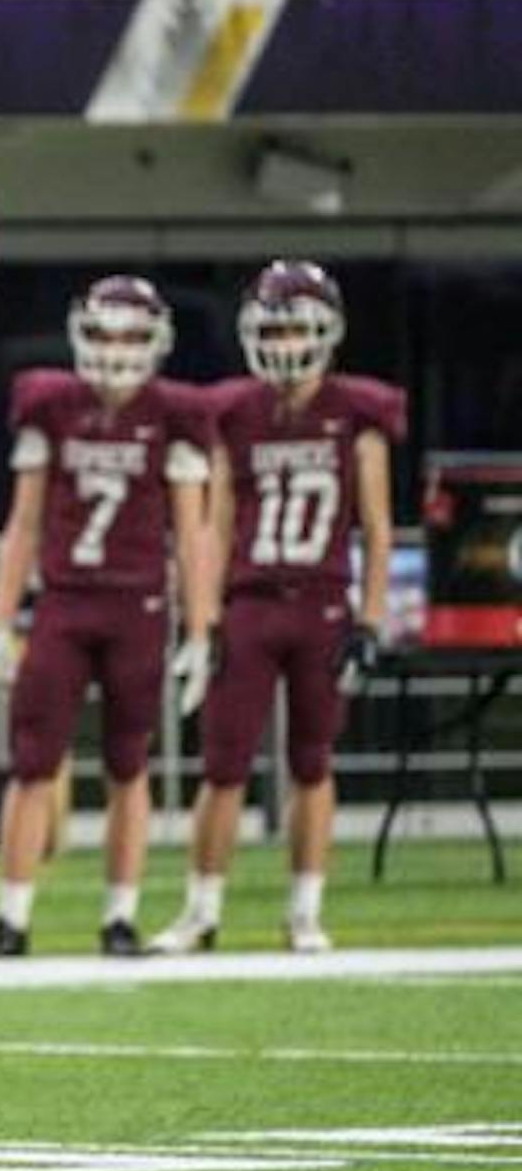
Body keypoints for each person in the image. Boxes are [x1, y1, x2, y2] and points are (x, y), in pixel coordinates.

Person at [0, 276, 216, 959]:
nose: (116, 349)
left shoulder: (175, 414)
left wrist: (200, 629)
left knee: (130, 766)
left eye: (131, 335)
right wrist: (0, 618)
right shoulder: (54, 405)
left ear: (156, 341)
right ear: (80, 333)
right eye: (104, 333)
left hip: (139, 605)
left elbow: (193, 535)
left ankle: (119, 918)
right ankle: (11, 918)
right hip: (66, 602)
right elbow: (24, 523)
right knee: (34, 763)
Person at [149, 261, 404, 955]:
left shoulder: (359, 411)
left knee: (313, 762)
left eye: (297, 324)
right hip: (252, 604)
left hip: (323, 602)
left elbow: (377, 527)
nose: (286, 338)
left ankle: (304, 910)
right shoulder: (234, 410)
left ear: (328, 328)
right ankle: (201, 910)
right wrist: (200, 624)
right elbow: (215, 524)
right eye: (275, 325)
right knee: (224, 764)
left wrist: (372, 620)